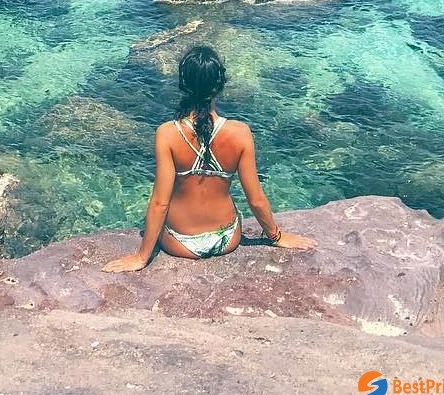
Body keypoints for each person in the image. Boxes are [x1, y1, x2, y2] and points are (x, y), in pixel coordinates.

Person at [104, 44, 316, 272]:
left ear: (183, 85)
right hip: (226, 238)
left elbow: (160, 203)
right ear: (220, 86)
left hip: (180, 242)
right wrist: (276, 237)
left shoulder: (167, 133)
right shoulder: (240, 132)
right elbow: (255, 199)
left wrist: (142, 257)